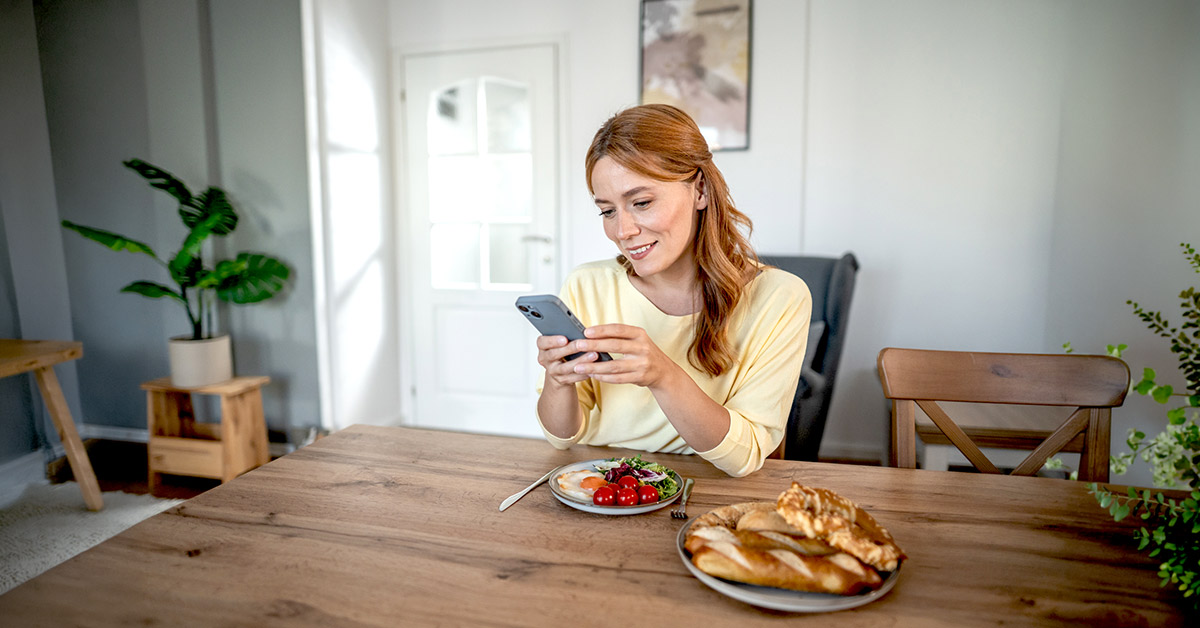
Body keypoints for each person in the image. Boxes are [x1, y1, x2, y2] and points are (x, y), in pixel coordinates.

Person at [535, 104, 811, 477]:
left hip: (702, 493)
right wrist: (558, 381)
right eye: (607, 211)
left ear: (699, 190)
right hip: (598, 487)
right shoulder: (587, 284)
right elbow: (562, 439)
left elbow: (744, 458)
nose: (623, 231)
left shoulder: (780, 297)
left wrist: (663, 375)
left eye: (642, 202)